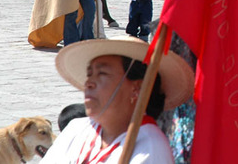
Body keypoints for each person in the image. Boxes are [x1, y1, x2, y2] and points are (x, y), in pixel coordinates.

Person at [40, 37, 194, 163]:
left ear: (136, 88)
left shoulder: (150, 148)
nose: (89, 83)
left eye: (102, 73)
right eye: (89, 74)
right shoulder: (77, 128)